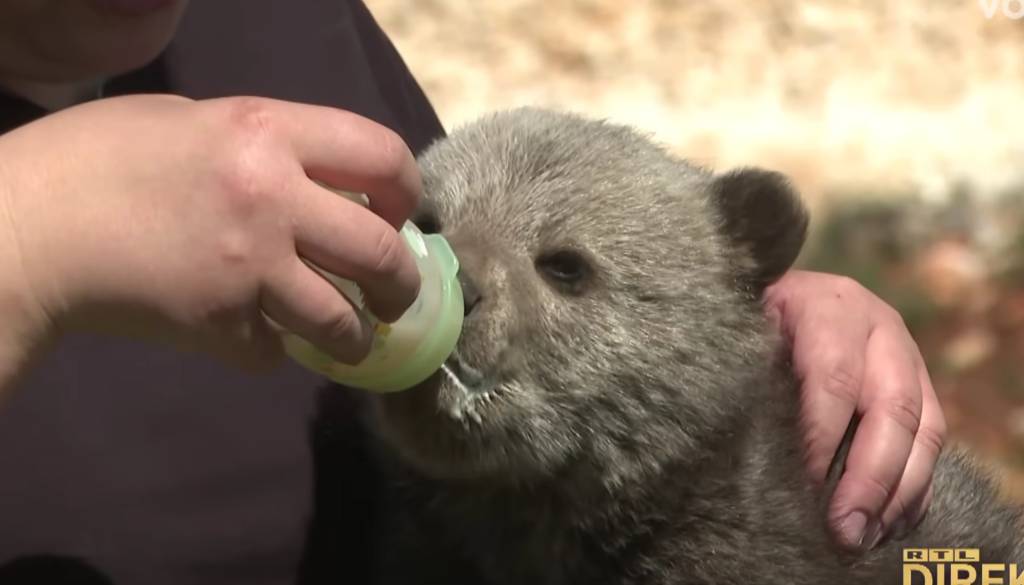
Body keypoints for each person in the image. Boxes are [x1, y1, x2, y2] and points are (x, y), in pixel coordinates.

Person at [0, 0, 946, 583]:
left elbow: (496, 224)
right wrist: (32, 236)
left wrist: (755, 306)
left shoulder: (289, 25)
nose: (436, 274)